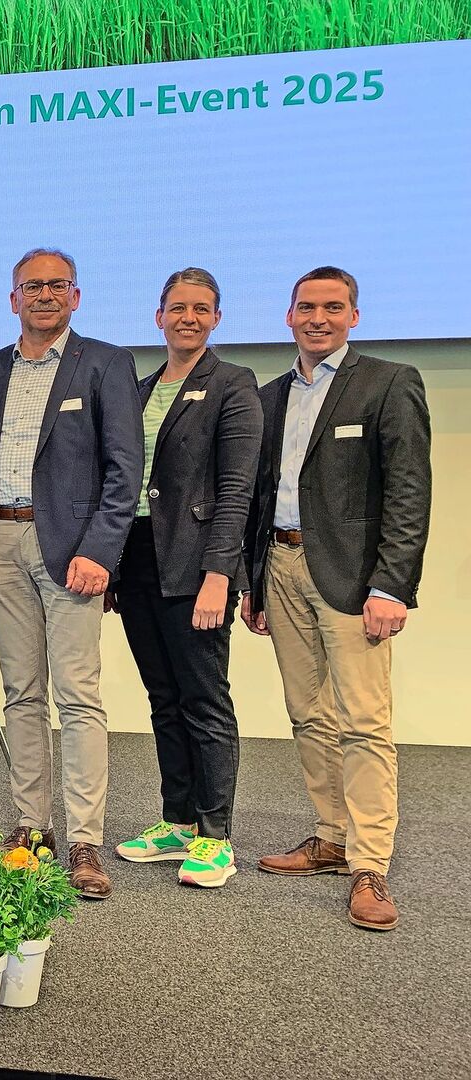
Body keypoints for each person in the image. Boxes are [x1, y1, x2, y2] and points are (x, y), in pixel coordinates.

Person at [242, 266, 431, 931]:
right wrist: (253, 582)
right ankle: (331, 836)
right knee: (308, 714)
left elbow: (409, 491)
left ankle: (369, 864)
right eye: (306, 307)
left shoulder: (388, 382)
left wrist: (392, 585)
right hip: (281, 565)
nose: (317, 318)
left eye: (332, 307)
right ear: (288, 316)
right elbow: (259, 495)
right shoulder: (270, 395)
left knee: (365, 721)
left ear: (354, 315)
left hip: (354, 579)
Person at [0, 247, 142, 899]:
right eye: (32, 286)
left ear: (76, 295)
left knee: (77, 695)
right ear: (13, 298)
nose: (44, 295)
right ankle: (32, 827)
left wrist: (101, 550)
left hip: (72, 552)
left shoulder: (105, 363)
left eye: (56, 285)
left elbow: (125, 468)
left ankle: (85, 840)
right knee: (20, 693)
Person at [108, 268, 261, 888]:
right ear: (159, 316)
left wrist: (219, 574)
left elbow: (236, 490)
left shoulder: (233, 383)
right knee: (163, 697)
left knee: (203, 698)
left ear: (216, 318)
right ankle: (177, 821)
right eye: (177, 308)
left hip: (196, 565)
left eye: (201, 308)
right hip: (139, 560)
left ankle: (215, 835)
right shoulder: (141, 389)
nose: (188, 318)